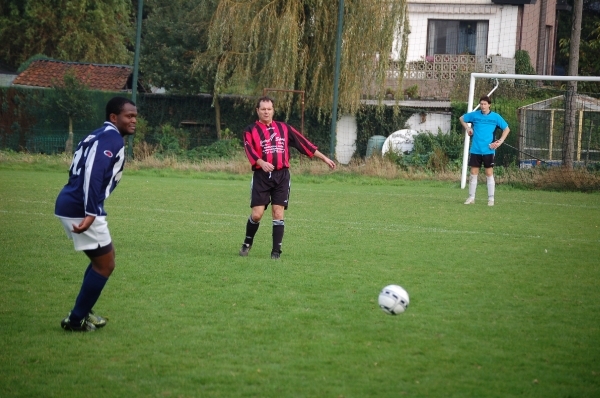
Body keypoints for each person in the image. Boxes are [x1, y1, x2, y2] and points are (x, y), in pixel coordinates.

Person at [55, 96, 137, 331]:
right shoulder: (111, 138)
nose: (133, 121)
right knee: (105, 264)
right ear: (114, 117)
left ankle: (83, 309)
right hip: (81, 207)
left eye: (135, 117)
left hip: (72, 203)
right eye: (128, 116)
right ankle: (76, 320)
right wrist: (91, 211)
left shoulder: (98, 134)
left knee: (102, 260)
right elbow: (93, 171)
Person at [239, 96, 336, 259]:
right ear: (257, 111)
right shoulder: (250, 131)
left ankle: (276, 252)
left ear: (273, 110)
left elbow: (304, 144)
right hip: (261, 177)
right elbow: (249, 150)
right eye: (263, 109)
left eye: (269, 109)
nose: (266, 112)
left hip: (281, 176)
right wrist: (261, 162)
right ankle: (247, 242)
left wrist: (324, 158)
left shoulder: (284, 128)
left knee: (278, 213)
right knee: (257, 215)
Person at [459, 95, 510, 206]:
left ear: (489, 105)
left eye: (485, 104)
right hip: (476, 149)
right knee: (473, 173)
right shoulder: (475, 115)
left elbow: (507, 129)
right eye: (481, 104)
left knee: (489, 173)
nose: (483, 106)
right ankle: (471, 198)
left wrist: (499, 142)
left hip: (489, 150)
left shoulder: (495, 117)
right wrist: (468, 128)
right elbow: (462, 118)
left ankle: (491, 199)